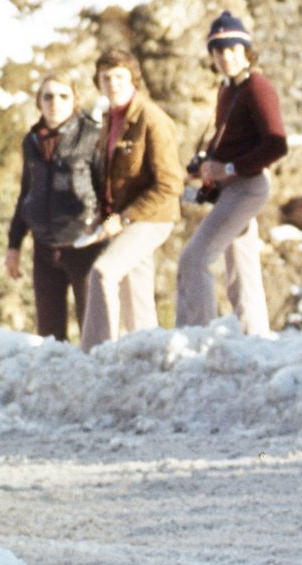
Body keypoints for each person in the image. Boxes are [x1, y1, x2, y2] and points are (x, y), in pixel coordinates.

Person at [176, 11, 287, 336]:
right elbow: (228, 140)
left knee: (194, 259)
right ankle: (255, 340)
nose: (226, 57)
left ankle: (195, 338)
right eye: (219, 51)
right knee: (242, 271)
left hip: (247, 186)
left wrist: (227, 168)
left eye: (233, 49)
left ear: (246, 51)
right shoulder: (228, 90)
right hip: (231, 187)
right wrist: (206, 164)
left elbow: (277, 145)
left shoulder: (257, 87)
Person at [81, 48, 182, 353]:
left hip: (151, 217)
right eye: (106, 78)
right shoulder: (110, 119)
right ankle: (146, 356)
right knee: (136, 298)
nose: (113, 84)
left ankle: (96, 353)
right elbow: (111, 179)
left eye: (119, 77)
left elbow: (170, 183)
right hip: (124, 218)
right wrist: (103, 216)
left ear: (133, 79)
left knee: (103, 272)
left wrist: (124, 218)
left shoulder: (151, 118)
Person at [5, 75, 102, 342]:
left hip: (84, 245)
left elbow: (106, 192)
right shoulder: (32, 141)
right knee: (49, 337)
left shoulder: (92, 136)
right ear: (39, 102)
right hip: (44, 248)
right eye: (47, 96)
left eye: (63, 96)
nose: (54, 103)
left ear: (75, 100)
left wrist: (101, 229)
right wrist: (14, 245)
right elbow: (27, 194)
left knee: (92, 332)